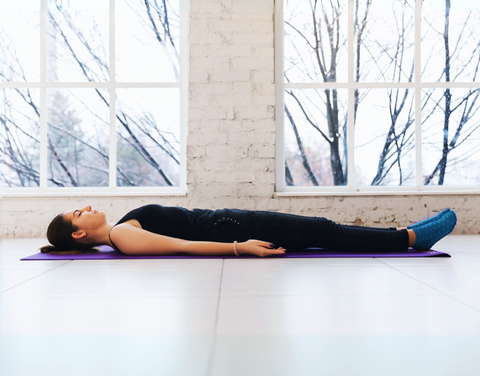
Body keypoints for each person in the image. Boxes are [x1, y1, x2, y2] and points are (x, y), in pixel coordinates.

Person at [40, 204, 457, 256]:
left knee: (321, 229)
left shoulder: (118, 229)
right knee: (323, 231)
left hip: (229, 220)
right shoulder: (121, 236)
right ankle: (411, 239)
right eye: (79, 213)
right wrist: (240, 248)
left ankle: (404, 232)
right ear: (78, 233)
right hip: (231, 228)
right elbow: (184, 246)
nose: (88, 207)